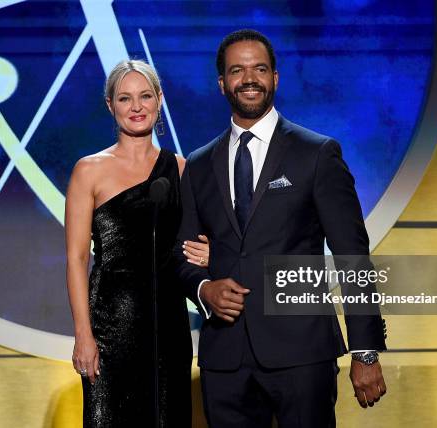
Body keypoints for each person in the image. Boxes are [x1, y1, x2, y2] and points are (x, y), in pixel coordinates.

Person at [174, 29, 388, 427]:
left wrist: (366, 351)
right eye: (237, 70)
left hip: (303, 354)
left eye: (259, 68)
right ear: (222, 84)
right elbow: (183, 253)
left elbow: (352, 255)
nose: (248, 78)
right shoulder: (199, 163)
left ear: (276, 77)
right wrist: (204, 288)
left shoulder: (318, 153)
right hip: (225, 358)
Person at [65, 59, 209, 427]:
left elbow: (195, 243)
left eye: (145, 96)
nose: (137, 107)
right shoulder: (89, 170)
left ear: (159, 100)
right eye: (125, 98)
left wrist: (211, 253)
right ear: (110, 105)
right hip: (111, 328)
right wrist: (84, 335)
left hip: (169, 327)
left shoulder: (179, 169)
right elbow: (77, 257)